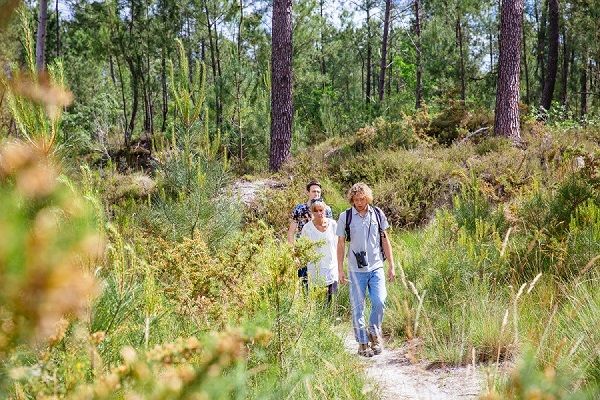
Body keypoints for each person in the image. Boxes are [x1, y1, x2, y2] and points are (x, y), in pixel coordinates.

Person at [336, 183, 396, 357]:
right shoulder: (345, 217)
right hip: (356, 270)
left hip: (376, 266)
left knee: (380, 301)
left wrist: (391, 264)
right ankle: (363, 342)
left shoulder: (377, 214)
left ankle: (373, 331)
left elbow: (385, 240)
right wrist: (340, 269)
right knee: (357, 307)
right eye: (356, 200)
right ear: (351, 200)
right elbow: (340, 244)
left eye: (362, 199)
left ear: (367, 198)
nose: (359, 203)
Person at [287, 180, 333, 287]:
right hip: (305, 253)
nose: (316, 194)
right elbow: (291, 233)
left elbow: (331, 232)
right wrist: (294, 255)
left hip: (322, 254)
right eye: (313, 191)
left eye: (318, 192)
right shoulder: (300, 209)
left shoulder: (326, 209)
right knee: (306, 287)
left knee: (325, 287)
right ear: (308, 192)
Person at [300, 199, 339, 304]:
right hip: (315, 268)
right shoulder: (307, 228)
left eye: (321, 210)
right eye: (316, 211)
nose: (319, 213)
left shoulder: (333, 225)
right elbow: (303, 249)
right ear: (312, 212)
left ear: (325, 210)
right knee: (317, 301)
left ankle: (332, 319)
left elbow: (339, 245)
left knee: (331, 301)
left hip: (332, 267)